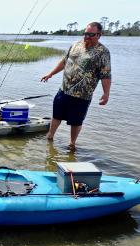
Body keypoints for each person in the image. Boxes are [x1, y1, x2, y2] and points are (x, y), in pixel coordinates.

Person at [41, 22, 111, 150]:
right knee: (56, 115)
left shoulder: (103, 52)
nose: (87, 37)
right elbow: (64, 61)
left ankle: (72, 143)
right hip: (64, 89)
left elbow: (106, 74)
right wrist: (50, 74)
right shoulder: (75, 45)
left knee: (76, 121)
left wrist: (106, 93)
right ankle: (50, 137)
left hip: (82, 95)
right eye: (86, 33)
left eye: (91, 34)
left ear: (99, 35)